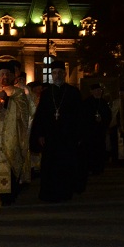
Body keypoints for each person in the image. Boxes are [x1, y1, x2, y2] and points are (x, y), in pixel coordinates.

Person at [32, 58, 83, 201]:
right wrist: (40, 134)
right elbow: (40, 115)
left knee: (66, 166)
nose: (57, 75)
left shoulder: (73, 92)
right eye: (54, 73)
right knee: (49, 166)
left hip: (68, 137)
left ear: (65, 74)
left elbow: (79, 115)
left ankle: (65, 193)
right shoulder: (47, 94)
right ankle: (49, 193)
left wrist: (78, 135)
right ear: (51, 75)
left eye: (60, 72)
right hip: (50, 137)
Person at [0, 60, 32, 203]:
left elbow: (24, 112)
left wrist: (8, 100)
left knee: (10, 162)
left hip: (12, 135)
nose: (5, 77)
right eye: (2, 74)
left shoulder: (19, 93)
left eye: (7, 74)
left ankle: (10, 195)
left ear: (12, 76)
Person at [80, 83, 112, 178]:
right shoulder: (86, 102)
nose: (98, 92)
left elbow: (108, 115)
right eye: (97, 90)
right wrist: (93, 119)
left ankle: (99, 168)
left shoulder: (103, 102)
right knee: (89, 150)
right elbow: (83, 116)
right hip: (89, 131)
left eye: (100, 90)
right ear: (92, 91)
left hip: (100, 131)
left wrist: (102, 119)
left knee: (100, 149)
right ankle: (90, 168)